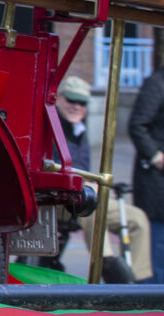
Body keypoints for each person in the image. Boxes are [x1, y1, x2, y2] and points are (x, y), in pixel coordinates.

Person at [58, 74, 154, 281]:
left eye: (81, 102)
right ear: (59, 99)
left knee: (137, 218)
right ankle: (109, 267)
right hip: (60, 199)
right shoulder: (53, 128)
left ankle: (136, 281)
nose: (76, 106)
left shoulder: (80, 130)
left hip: (82, 197)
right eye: (71, 100)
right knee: (92, 205)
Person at [130, 64, 164, 281]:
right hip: (156, 183)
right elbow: (137, 125)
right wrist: (157, 157)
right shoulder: (157, 83)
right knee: (156, 249)